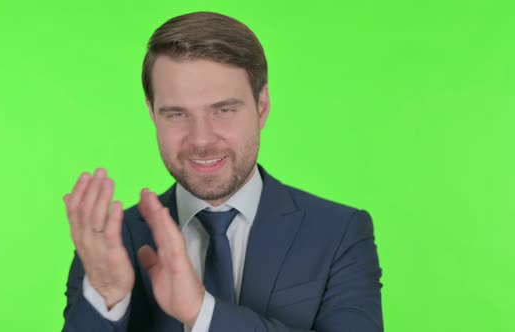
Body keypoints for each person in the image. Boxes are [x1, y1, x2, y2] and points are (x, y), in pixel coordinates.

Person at [61, 11, 383, 332]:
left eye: (224, 110)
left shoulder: (339, 233)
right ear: (152, 112)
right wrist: (106, 298)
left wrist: (203, 313)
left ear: (262, 106)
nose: (201, 139)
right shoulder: (109, 245)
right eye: (176, 114)